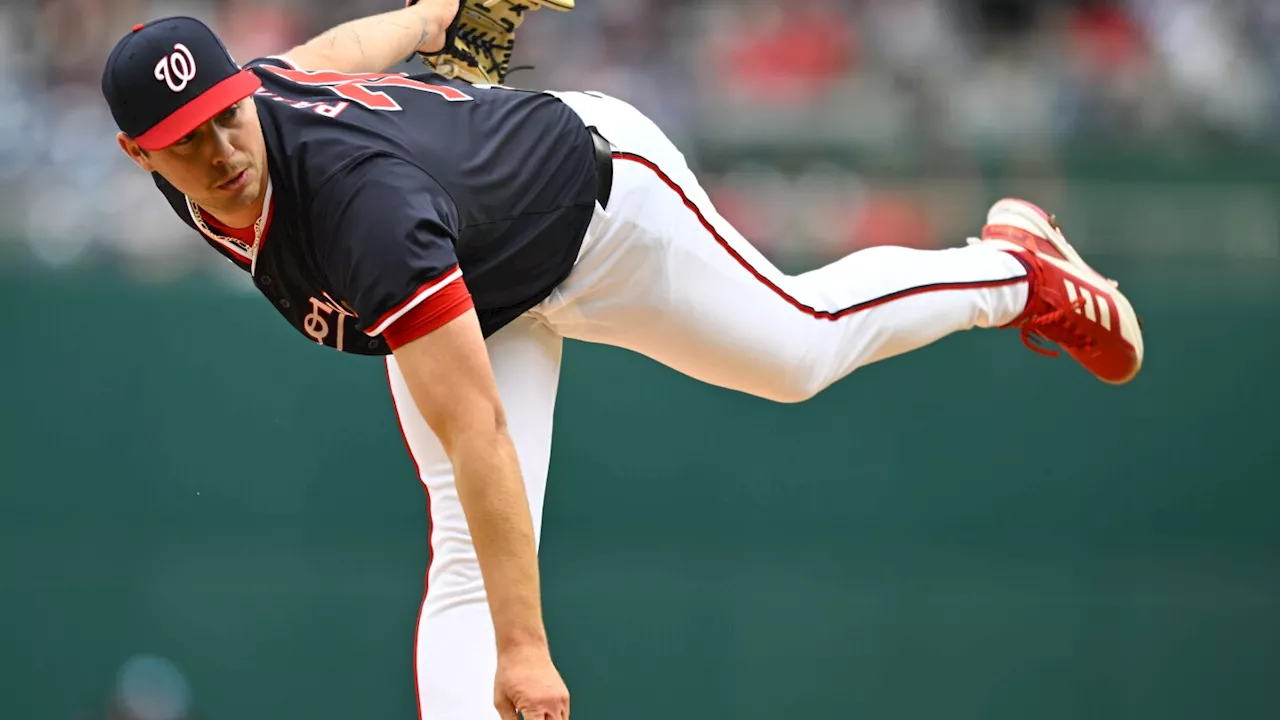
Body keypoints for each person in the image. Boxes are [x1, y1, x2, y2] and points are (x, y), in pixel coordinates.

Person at [100, 3, 1144, 719]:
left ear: (240, 92)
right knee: (462, 561)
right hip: (476, 274)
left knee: (797, 348)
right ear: (139, 153)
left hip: (599, 208)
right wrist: (427, 21)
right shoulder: (225, 142)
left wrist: (527, 650)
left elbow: (479, 432)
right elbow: (318, 60)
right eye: (188, 138)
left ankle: (1011, 272)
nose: (222, 149)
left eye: (226, 115)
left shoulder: (355, 212)